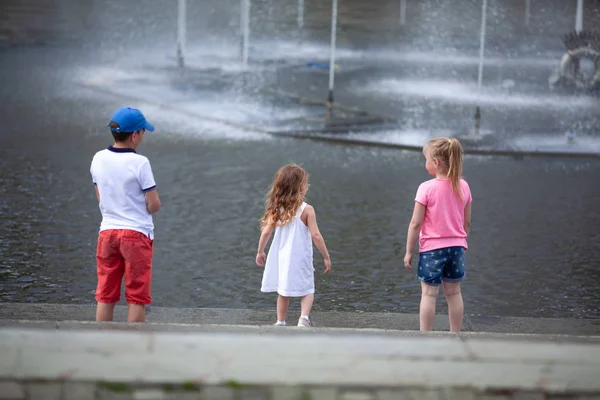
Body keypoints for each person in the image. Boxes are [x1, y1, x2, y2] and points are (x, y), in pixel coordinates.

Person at [90, 107, 161, 323]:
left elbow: (101, 198)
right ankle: (133, 348)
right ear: (134, 135)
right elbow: (154, 204)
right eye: (142, 132)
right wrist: (146, 207)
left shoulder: (98, 158)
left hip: (107, 233)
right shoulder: (140, 163)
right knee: (136, 297)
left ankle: (101, 345)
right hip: (135, 235)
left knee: (105, 294)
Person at [404, 138, 472, 333]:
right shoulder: (464, 186)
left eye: (426, 159)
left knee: (429, 295)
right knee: (454, 292)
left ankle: (426, 336)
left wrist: (409, 251)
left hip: (432, 249)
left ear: (436, 163)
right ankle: (455, 334)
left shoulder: (426, 188)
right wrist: (458, 239)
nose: (424, 163)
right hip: (457, 248)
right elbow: (466, 223)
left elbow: (416, 223)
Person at [256, 163, 331, 327]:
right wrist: (326, 256)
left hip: (282, 257)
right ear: (299, 187)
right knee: (308, 289)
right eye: (305, 184)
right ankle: (303, 318)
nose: (308, 186)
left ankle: (280, 321)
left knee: (283, 291)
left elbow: (267, 232)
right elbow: (316, 235)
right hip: (301, 257)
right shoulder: (307, 210)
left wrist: (260, 251)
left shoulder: (278, 209)